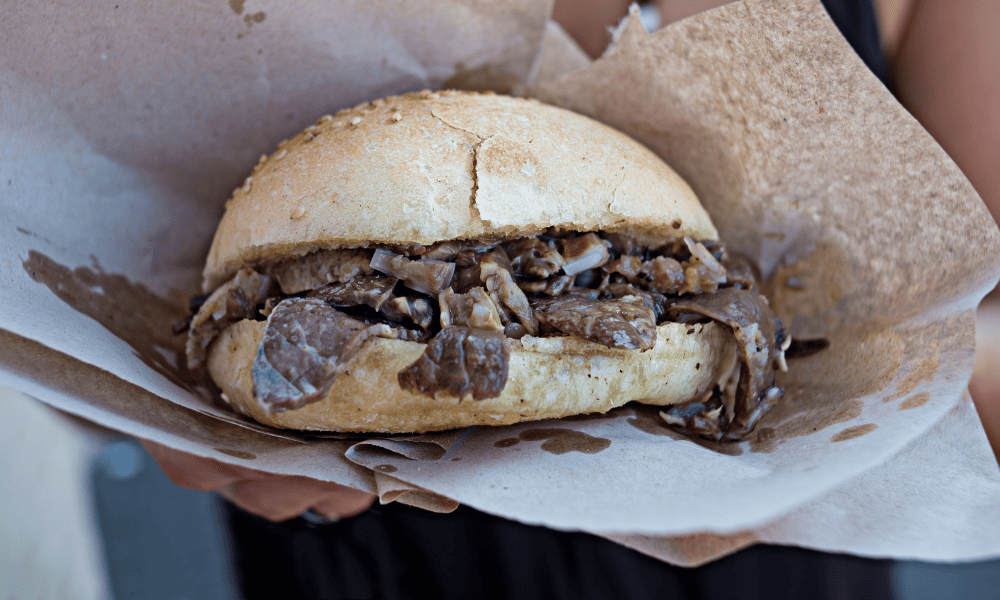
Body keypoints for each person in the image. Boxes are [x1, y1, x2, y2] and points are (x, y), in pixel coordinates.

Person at [145, 0, 1000, 597]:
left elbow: (979, 295)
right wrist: (161, 428)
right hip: (372, 558)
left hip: (776, 556)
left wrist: (893, 379)